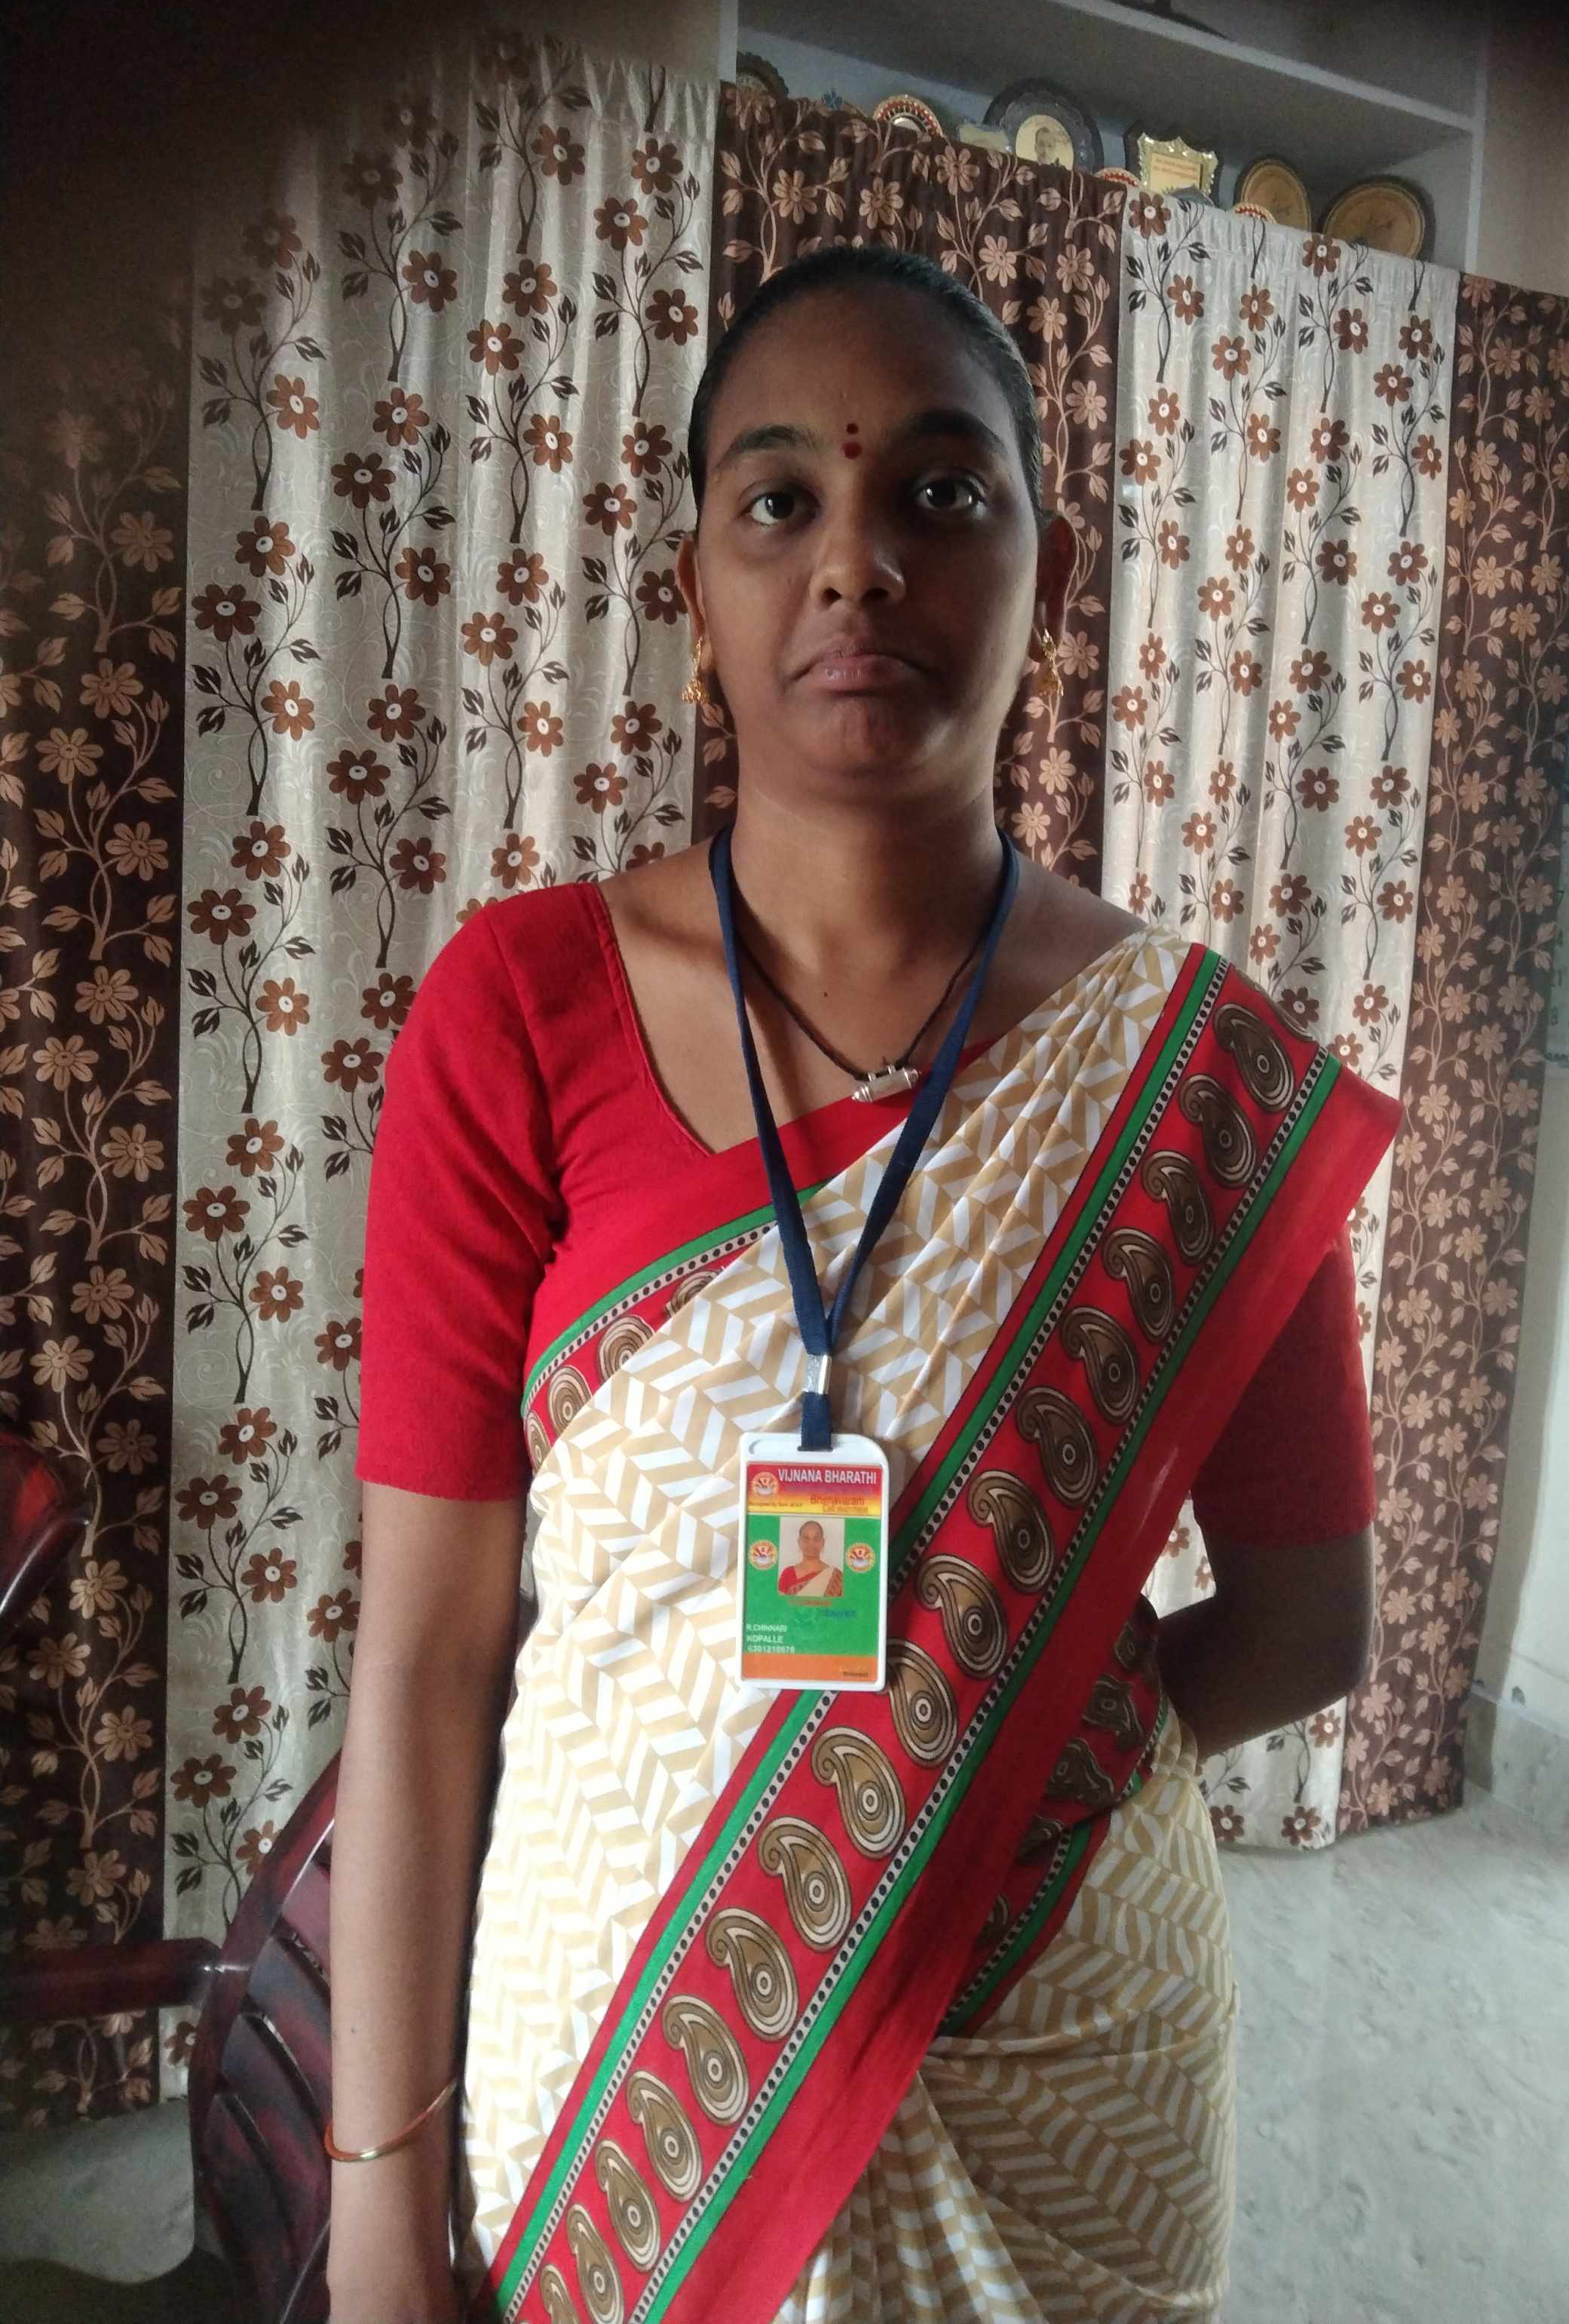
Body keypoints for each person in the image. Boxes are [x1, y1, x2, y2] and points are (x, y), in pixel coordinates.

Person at [329, 242, 1398, 2324]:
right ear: (696, 587)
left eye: (939, 493)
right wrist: (381, 2205)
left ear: (1044, 573)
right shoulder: (516, 1010)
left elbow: (1309, 1621)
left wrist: (980, 1772)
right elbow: (427, 1662)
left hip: (1063, 2050)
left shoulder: (1196, 1076)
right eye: (780, 501)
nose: (854, 564)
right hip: (621, 2059)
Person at [779, 1519, 844, 1599]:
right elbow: (780, 1606)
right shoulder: (788, 1574)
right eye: (806, 1539)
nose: (811, 1544)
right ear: (799, 1542)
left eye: (816, 1539)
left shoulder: (836, 1577)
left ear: (823, 1543)